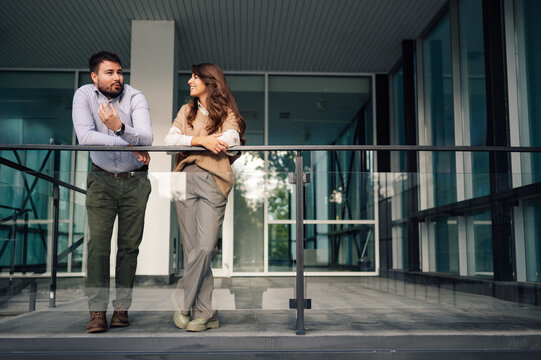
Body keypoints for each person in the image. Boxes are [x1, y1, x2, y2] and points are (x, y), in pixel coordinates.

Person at [72, 51, 153, 333]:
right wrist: (128, 140)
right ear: (95, 76)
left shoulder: (135, 97)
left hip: (135, 182)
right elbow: (85, 137)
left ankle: (121, 308)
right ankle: (97, 312)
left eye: (119, 72)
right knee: (97, 248)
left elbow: (148, 137)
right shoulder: (84, 95)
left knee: (129, 248)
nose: (117, 77)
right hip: (101, 181)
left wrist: (119, 128)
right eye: (110, 73)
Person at [165, 63, 245, 332]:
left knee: (206, 246)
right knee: (192, 251)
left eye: (195, 77)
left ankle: (183, 301)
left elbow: (231, 140)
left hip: (214, 182)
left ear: (210, 82)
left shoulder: (227, 113)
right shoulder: (185, 111)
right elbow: (169, 142)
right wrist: (203, 141)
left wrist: (195, 140)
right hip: (184, 179)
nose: (189, 81)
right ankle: (206, 313)